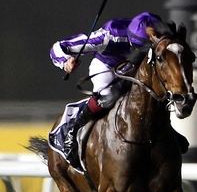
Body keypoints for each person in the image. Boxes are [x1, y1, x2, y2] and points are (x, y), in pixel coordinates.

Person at [50, 11, 183, 159]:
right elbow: (59, 46)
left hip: (135, 67)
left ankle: (166, 129)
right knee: (108, 96)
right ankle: (73, 128)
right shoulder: (110, 34)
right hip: (107, 65)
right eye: (138, 47)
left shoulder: (159, 33)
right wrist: (66, 61)